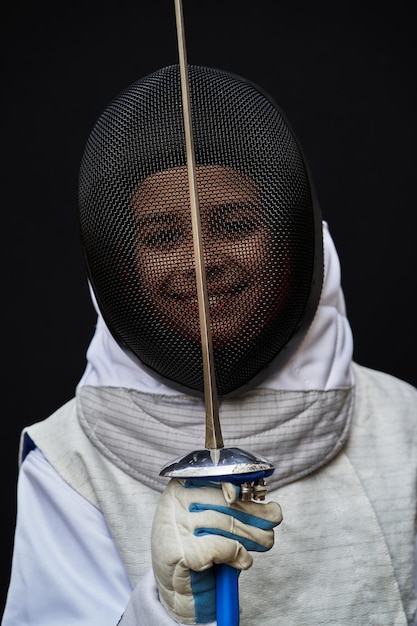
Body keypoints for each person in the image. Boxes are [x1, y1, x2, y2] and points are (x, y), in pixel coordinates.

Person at [2, 64, 417, 626]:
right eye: (164, 236)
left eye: (235, 223)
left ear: (292, 241)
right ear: (122, 266)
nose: (201, 262)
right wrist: (160, 610)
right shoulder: (66, 461)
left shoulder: (405, 423)